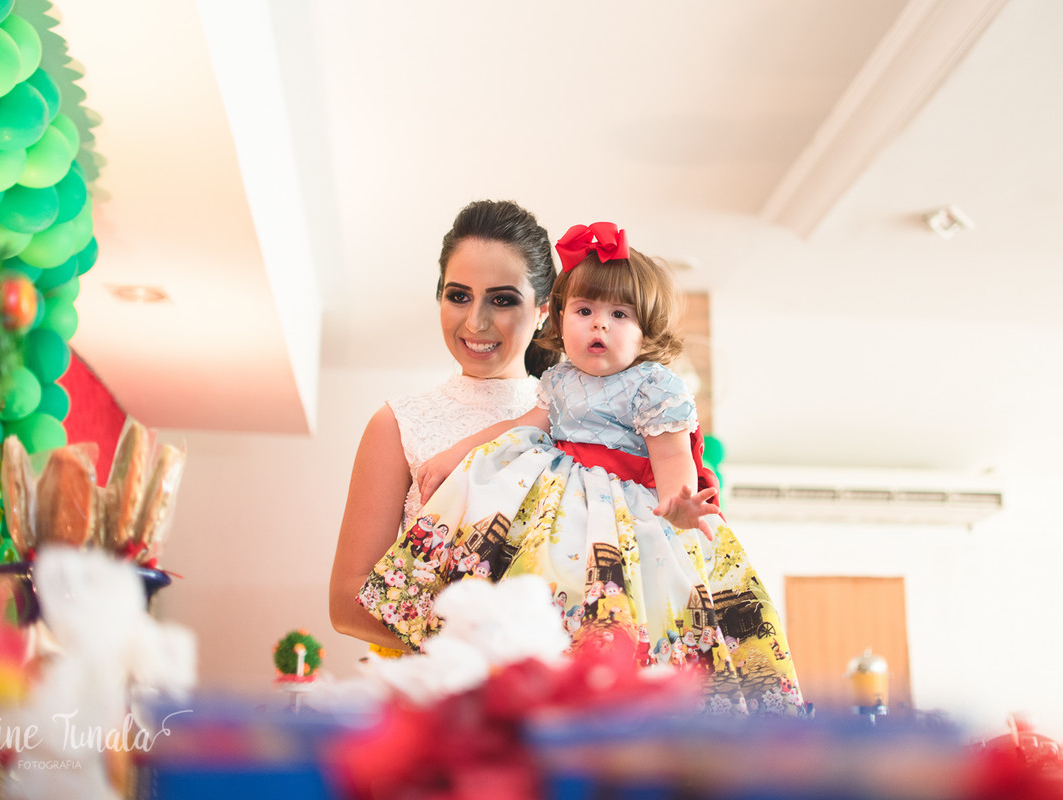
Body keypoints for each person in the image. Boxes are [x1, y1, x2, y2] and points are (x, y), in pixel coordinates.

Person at [358, 222, 805, 716]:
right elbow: (518, 425)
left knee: (636, 606)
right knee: (532, 572)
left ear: (645, 331)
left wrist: (678, 504)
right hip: (557, 502)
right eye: (585, 311)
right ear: (559, 319)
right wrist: (453, 454)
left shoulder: (654, 386)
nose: (599, 325)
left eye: (619, 315)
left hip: (627, 511)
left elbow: (674, 455)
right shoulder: (559, 380)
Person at [328, 200, 558, 653]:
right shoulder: (397, 423)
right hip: (439, 692)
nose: (476, 320)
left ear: (544, 311)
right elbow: (346, 601)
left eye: (503, 299)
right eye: (459, 296)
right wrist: (485, 650)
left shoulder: (578, 418)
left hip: (559, 700)